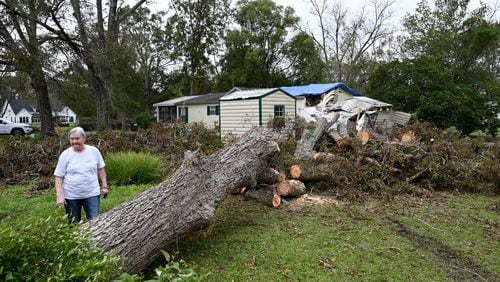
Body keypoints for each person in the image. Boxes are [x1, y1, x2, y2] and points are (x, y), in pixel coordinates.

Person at [54, 127, 108, 224]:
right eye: (72, 139)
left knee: (94, 222)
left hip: (92, 193)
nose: (74, 141)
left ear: (84, 138)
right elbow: (58, 176)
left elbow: (101, 168)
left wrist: (104, 186)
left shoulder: (94, 151)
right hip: (71, 195)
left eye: (77, 138)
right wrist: (59, 195)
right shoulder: (65, 155)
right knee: (73, 224)